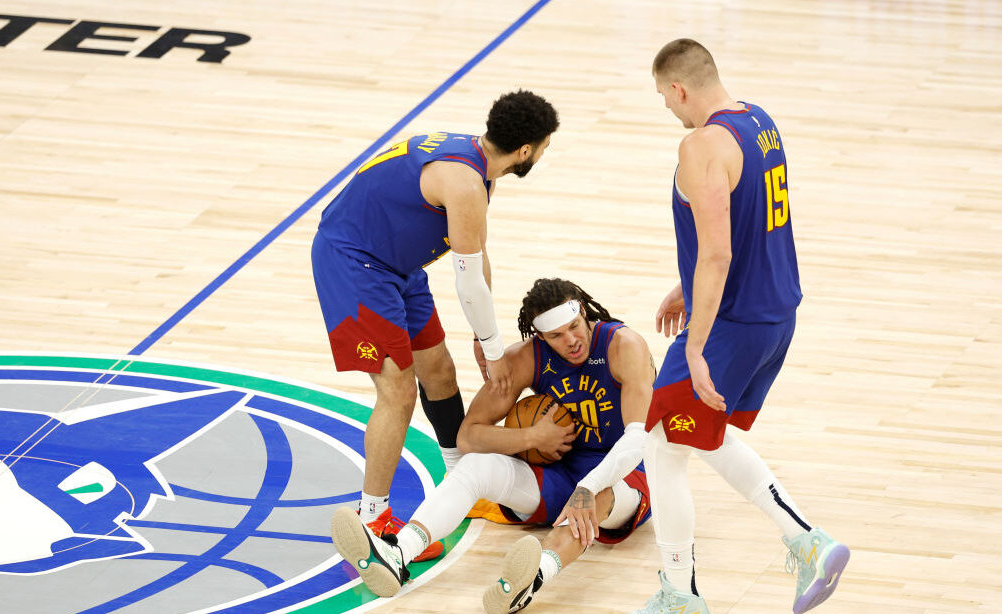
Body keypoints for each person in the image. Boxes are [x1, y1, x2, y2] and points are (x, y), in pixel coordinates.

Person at [631, 39, 850, 614]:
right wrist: (688, 282)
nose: (668, 111)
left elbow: (720, 254)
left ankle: (681, 596)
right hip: (776, 312)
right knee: (698, 432)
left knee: (660, 443)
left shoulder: (700, 144)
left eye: (664, 98)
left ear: (679, 88)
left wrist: (696, 345)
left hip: (733, 322)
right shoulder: (760, 122)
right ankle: (806, 541)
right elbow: (746, 218)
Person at [312, 91, 559, 561]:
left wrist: (481, 333)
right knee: (398, 391)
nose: (544, 153)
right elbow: (466, 281)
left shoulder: (477, 170)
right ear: (525, 150)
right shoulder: (466, 183)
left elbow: (477, 259)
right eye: (545, 146)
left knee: (440, 371)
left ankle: (460, 475)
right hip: (355, 265)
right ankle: (372, 518)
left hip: (398, 267)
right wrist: (492, 348)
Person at [329, 278, 653, 613]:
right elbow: (469, 436)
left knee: (596, 498)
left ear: (584, 313)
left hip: (624, 479)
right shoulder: (527, 358)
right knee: (473, 467)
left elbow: (638, 440)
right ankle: (398, 553)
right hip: (559, 476)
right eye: (557, 335)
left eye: (574, 327)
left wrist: (589, 485)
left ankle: (533, 577)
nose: (571, 341)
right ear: (541, 336)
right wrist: (532, 438)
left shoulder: (623, 346)